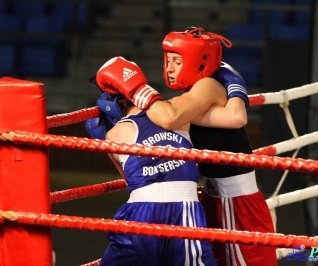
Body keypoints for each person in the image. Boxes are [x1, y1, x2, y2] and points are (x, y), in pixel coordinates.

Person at [93, 27, 277, 266]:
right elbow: (179, 115)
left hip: (235, 204)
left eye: (177, 61)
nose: (168, 68)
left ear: (197, 63)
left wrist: (136, 89)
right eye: (168, 60)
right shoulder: (188, 100)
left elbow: (170, 117)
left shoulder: (206, 86)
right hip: (207, 199)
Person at [85, 91, 218, 266]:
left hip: (142, 212)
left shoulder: (114, 134)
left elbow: (129, 183)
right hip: (186, 210)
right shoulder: (177, 112)